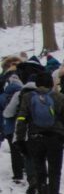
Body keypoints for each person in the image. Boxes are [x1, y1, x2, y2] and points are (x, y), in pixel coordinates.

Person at [15, 72, 64, 194]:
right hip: (55, 138)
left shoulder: (28, 97)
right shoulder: (59, 97)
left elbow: (22, 118)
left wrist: (19, 138)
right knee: (55, 172)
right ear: (51, 83)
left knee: (40, 171)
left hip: (35, 138)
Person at [1, 56, 27, 184]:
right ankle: (27, 169)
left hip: (10, 125)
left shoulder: (4, 92)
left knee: (14, 149)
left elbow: (5, 112)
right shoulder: (25, 89)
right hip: (24, 124)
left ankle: (17, 174)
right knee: (25, 147)